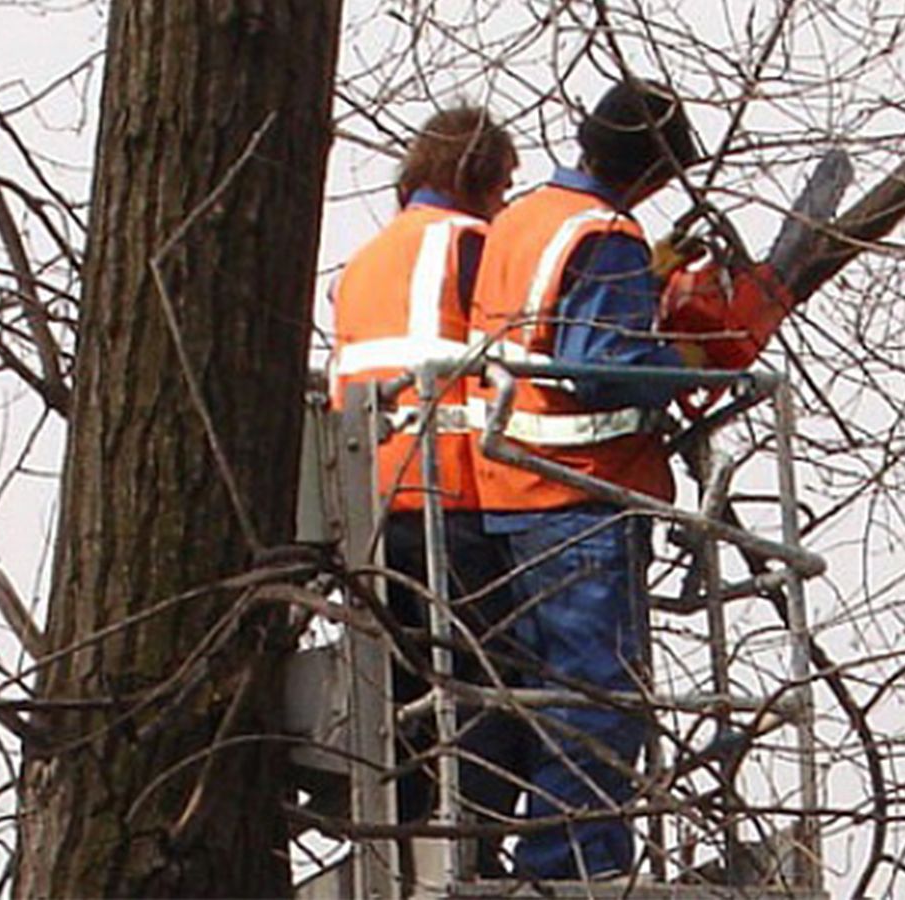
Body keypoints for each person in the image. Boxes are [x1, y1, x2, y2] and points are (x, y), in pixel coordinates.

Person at [469, 80, 794, 880]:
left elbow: (542, 329)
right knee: (601, 704)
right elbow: (600, 368)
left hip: (511, 493)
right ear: (650, 169)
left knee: (542, 699)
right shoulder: (602, 233)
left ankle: (543, 861)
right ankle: (573, 872)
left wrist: (644, 282)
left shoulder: (526, 218)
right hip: (580, 493)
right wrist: (685, 359)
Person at [329, 105, 525, 878]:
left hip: (375, 504)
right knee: (487, 687)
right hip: (458, 493)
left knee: (405, 701)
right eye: (503, 185)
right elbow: (535, 345)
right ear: (475, 176)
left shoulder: (363, 264)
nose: (506, 203)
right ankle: (474, 859)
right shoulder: (473, 246)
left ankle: (413, 863)